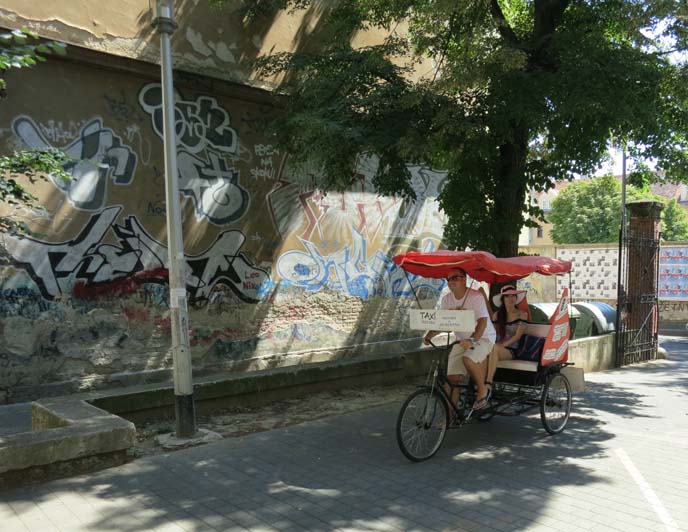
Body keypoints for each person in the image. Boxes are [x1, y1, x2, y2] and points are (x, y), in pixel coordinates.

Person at [423, 268, 496, 410]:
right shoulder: (447, 299)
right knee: (452, 379)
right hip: (461, 339)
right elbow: (445, 323)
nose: (451, 281)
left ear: (464, 279)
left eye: (455, 278)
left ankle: (483, 390)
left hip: (483, 338)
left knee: (468, 359)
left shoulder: (475, 297)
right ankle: (450, 418)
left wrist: (472, 340)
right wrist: (431, 334)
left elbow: (483, 322)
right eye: (448, 279)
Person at [484, 285, 534, 390]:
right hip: (496, 347)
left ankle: (488, 383)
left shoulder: (522, 314)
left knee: (495, 348)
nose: (510, 299)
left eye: (513, 296)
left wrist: (501, 345)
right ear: (503, 299)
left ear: (516, 298)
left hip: (512, 350)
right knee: (483, 350)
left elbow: (517, 336)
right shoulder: (497, 315)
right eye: (507, 296)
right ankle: (478, 383)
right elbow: (492, 334)